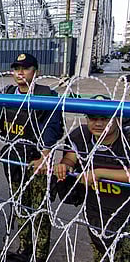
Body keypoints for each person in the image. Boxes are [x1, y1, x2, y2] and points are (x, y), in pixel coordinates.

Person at [0, 53, 63, 262]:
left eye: (25, 68)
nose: (20, 72)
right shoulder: (7, 94)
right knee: (20, 206)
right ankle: (24, 249)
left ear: (35, 71)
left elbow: (53, 128)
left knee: (39, 210)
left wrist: (45, 156)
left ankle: (39, 256)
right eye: (16, 68)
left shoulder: (47, 96)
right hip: (13, 160)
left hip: (36, 161)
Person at [54, 95, 130, 261]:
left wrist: (99, 173)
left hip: (125, 210)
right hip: (95, 208)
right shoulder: (81, 136)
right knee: (101, 253)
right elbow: (70, 158)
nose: (98, 124)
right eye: (93, 118)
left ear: (117, 118)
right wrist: (64, 166)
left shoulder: (127, 140)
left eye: (104, 118)